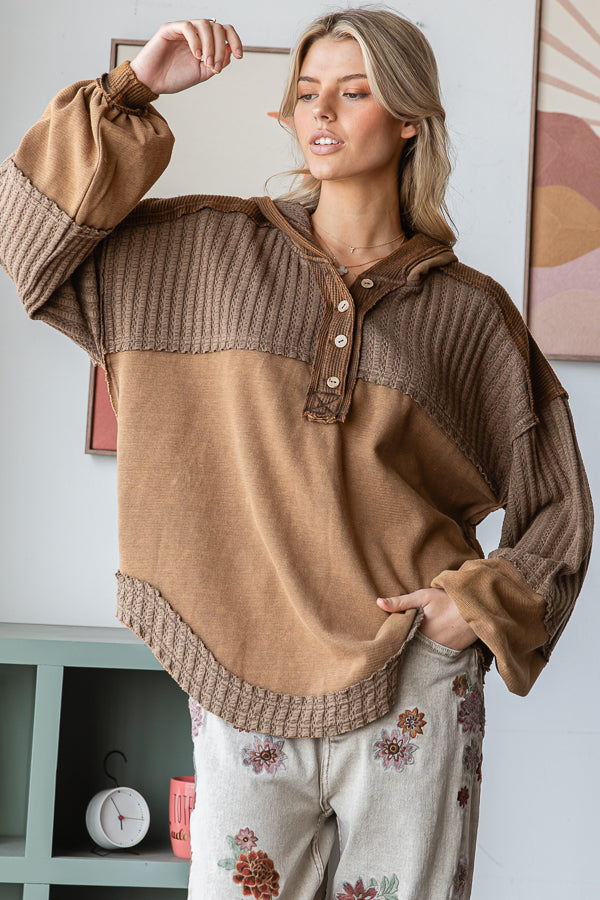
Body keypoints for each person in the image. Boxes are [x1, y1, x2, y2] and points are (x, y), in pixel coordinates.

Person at [0, 7, 593, 899]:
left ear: (408, 119)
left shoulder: (469, 313)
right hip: (240, 678)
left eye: (353, 93)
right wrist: (131, 91)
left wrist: (473, 609)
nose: (322, 110)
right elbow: (29, 246)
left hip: (409, 678)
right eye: (307, 92)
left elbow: (560, 506)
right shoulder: (202, 249)